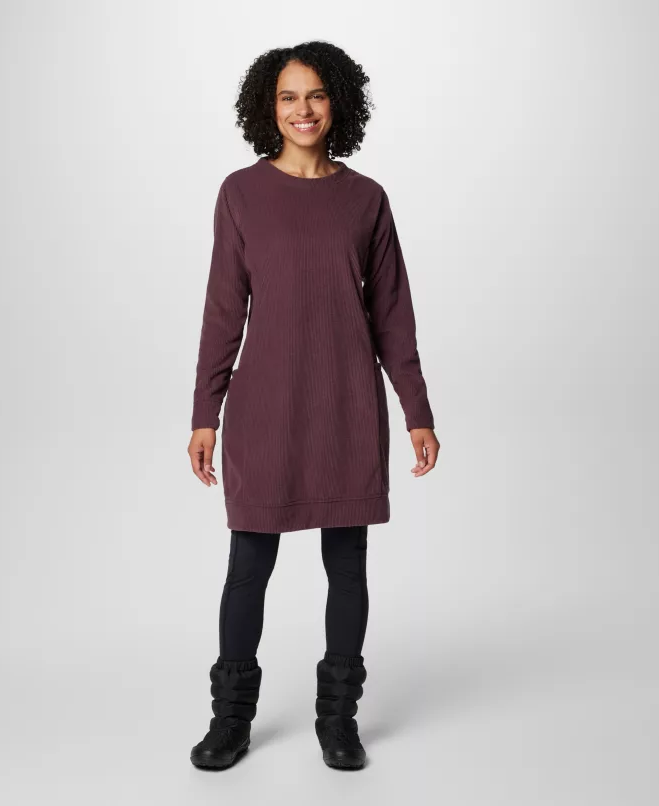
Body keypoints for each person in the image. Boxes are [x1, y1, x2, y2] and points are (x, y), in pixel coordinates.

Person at [188, 40, 439, 771]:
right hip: (264, 408)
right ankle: (230, 721)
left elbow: (393, 314)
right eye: (288, 97)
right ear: (268, 108)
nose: (303, 110)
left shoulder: (366, 199)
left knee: (348, 564)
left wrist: (417, 410)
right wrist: (205, 412)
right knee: (248, 565)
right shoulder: (241, 193)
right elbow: (223, 310)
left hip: (345, 405)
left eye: (317, 95)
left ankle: (339, 721)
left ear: (339, 104)